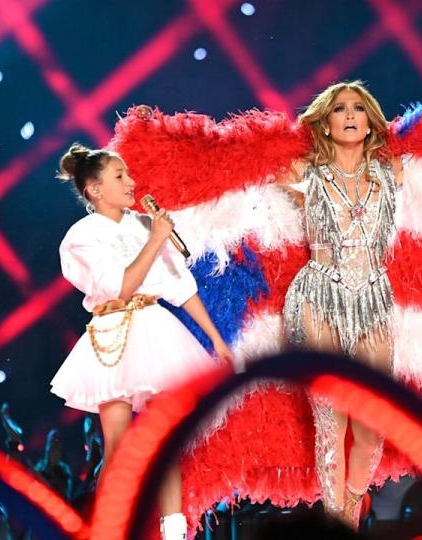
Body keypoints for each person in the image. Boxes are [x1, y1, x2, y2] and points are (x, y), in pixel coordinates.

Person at [49, 143, 234, 539]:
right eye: (119, 176)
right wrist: (155, 240)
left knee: (164, 438)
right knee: (117, 443)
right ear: (95, 189)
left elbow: (179, 287)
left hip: (154, 330)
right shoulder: (81, 237)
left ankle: (173, 531)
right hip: (113, 333)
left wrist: (216, 340)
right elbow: (118, 287)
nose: (131, 183)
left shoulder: (144, 224)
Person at [278, 81, 403, 527]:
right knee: (332, 423)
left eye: (357, 108)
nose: (349, 115)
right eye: (338, 110)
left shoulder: (394, 174)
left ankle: (347, 513)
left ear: (371, 122)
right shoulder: (300, 173)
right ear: (325, 124)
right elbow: (233, 182)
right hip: (318, 297)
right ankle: (340, 527)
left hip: (374, 299)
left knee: (371, 429)